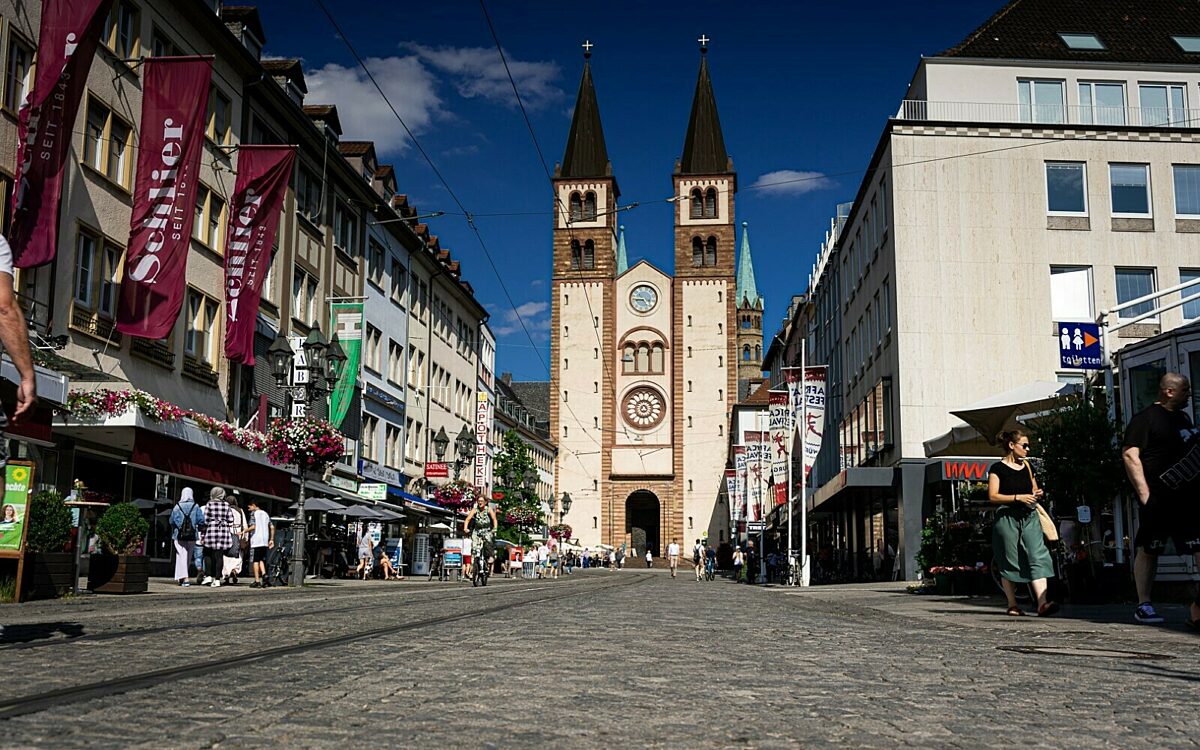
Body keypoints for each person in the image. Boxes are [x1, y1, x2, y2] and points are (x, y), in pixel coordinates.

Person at [1122, 372, 1200, 628]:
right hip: (1160, 497)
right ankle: (1144, 604)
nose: (1189, 394)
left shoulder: (1183, 418)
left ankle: (1197, 607)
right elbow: (1130, 455)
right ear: (1168, 391)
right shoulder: (1145, 419)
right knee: (1150, 548)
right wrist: (1144, 493)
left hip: (1188, 498)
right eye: (1184, 390)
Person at [988, 429, 1058, 617]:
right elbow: (993, 495)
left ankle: (1042, 603)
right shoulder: (998, 468)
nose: (1028, 449)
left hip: (1029, 515)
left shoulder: (1027, 466)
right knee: (1009, 559)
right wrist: (1018, 497)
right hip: (1007, 517)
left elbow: (1034, 489)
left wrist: (1036, 494)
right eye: (1024, 445)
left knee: (1037, 554)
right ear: (1012, 446)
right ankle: (1013, 604)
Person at [169, 488, 204, 587]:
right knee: (188, 557)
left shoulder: (177, 506)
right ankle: (182, 577)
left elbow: (171, 521)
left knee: (181, 555)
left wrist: (179, 525)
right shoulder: (196, 506)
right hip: (192, 535)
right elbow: (201, 520)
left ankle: (185, 578)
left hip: (179, 535)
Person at [200, 488, 235, 587]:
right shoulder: (226, 504)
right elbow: (231, 519)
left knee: (207, 553)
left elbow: (205, 520)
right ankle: (218, 579)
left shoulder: (209, 504)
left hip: (212, 530)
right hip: (223, 532)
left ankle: (208, 576)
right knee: (219, 556)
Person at [462, 494, 498, 580]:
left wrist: (495, 528)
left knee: (488, 542)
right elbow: (467, 519)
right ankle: (474, 565)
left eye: (482, 501)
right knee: (474, 547)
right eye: (479, 501)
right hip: (476, 531)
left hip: (486, 530)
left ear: (485, 502)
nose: (480, 503)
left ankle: (489, 556)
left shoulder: (488, 509)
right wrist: (465, 528)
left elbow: (494, 519)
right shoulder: (475, 510)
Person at [244, 500, 273, 588]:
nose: (249, 509)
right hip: (264, 540)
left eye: (249, 507)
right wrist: (271, 539)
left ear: (253, 505)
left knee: (255, 561)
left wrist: (244, 531)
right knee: (261, 559)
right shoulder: (265, 514)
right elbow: (272, 527)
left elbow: (254, 526)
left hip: (256, 540)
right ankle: (264, 575)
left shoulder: (254, 513)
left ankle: (257, 581)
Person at [222, 492, 247, 584]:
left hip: (227, 534)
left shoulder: (225, 510)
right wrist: (245, 537)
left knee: (226, 555)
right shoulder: (240, 510)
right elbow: (244, 524)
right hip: (238, 534)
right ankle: (235, 570)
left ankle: (226, 575)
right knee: (238, 554)